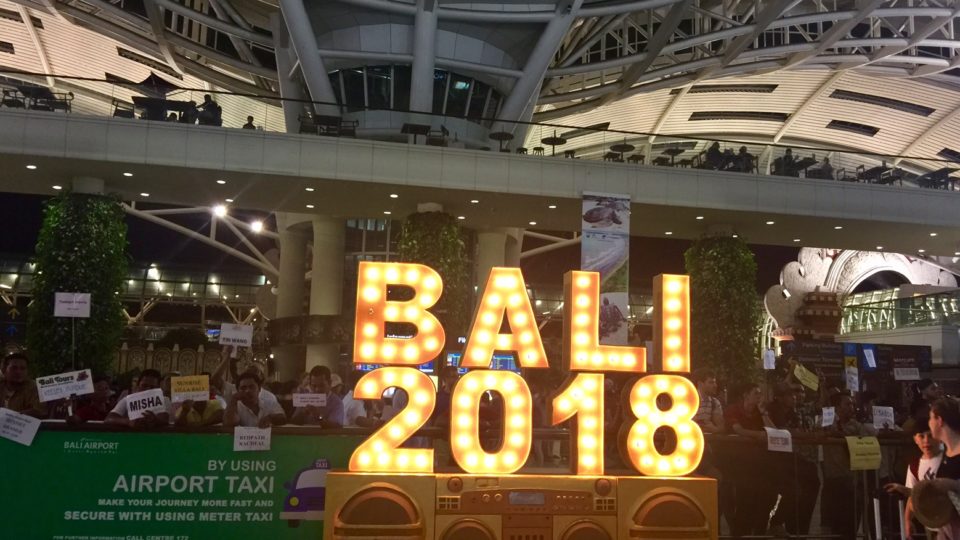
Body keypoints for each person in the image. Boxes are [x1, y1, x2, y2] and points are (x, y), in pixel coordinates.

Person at [722, 383, 776, 537]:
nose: (759, 397)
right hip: (738, 463)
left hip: (760, 465)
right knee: (743, 502)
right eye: (756, 393)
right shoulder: (734, 409)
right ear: (746, 395)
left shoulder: (760, 412)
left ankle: (759, 533)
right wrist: (758, 435)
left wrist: (764, 413)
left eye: (760, 394)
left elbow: (773, 431)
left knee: (764, 500)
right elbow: (738, 430)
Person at [767, 383, 820, 536]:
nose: (795, 398)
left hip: (792, 456)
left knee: (812, 480)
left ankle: (799, 529)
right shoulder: (772, 411)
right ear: (781, 397)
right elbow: (782, 431)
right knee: (794, 489)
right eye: (791, 395)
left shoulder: (793, 413)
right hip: (776, 458)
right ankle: (777, 522)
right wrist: (805, 435)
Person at [822, 392, 877, 539]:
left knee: (849, 525)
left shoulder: (857, 426)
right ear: (837, 407)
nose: (851, 407)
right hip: (832, 480)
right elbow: (821, 430)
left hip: (851, 481)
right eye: (847, 404)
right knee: (831, 526)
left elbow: (864, 443)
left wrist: (842, 436)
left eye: (852, 403)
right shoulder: (827, 422)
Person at [886, 423, 944, 537]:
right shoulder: (914, 466)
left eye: (930, 435)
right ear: (915, 439)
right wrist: (907, 519)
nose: (926, 440)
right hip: (931, 524)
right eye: (921, 436)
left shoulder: (949, 460)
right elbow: (913, 495)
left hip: (952, 522)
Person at [105, 369, 169, 428]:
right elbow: (109, 419)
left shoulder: (165, 400)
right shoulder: (128, 400)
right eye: (144, 386)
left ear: (158, 388)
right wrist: (128, 421)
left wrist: (155, 420)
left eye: (152, 387)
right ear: (138, 386)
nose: (148, 389)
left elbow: (165, 418)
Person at [0, 352, 45, 418]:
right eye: (14, 368)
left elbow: (40, 411)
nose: (18, 372)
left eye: (23, 368)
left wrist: (15, 416)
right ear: (4, 370)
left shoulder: (34, 388)